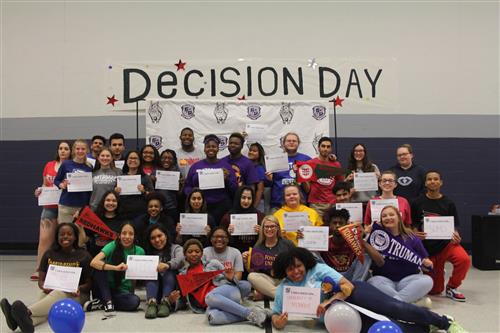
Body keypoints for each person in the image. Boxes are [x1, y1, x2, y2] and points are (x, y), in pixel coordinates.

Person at [270, 247, 467, 333]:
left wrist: (327, 302)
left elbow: (348, 286)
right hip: (339, 319)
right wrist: (279, 322)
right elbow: (276, 318)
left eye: (298, 266)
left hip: (355, 295)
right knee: (388, 328)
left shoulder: (318, 269)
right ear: (284, 271)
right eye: (290, 269)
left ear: (304, 263)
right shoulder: (284, 290)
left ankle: (445, 322)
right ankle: (427, 327)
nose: (296, 271)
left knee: (395, 308)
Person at [1, 223, 92, 333]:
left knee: (57, 295)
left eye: (69, 234)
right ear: (57, 237)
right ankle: (26, 323)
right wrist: (44, 286)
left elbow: (89, 284)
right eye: (62, 234)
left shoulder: (84, 255)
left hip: (78, 295)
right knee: (47, 305)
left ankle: (27, 311)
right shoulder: (49, 254)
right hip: (51, 292)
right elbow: (41, 280)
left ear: (75, 237)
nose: (65, 237)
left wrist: (78, 288)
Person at [178, 239, 269, 327]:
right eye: (190, 252)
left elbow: (233, 281)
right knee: (212, 318)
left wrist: (231, 278)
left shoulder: (213, 263)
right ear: (185, 254)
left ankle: (248, 313)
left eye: (197, 251)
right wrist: (173, 301)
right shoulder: (183, 275)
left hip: (227, 292)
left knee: (209, 297)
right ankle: (255, 314)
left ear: (202, 253)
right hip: (212, 305)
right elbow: (182, 299)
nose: (194, 254)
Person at [411, 170, 470, 302]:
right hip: (428, 248)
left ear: (441, 182)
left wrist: (456, 236)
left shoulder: (448, 203)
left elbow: (454, 227)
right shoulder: (417, 203)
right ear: (425, 183)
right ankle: (437, 272)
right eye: (429, 179)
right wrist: (415, 233)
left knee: (464, 259)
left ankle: (452, 287)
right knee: (435, 291)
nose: (433, 181)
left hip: (446, 244)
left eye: (436, 179)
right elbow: (412, 226)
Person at [367, 205, 433, 307]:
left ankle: (393, 304)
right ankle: (411, 304)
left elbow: (427, 265)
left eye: (391, 214)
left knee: (427, 281)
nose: (388, 217)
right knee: (372, 281)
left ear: (399, 217)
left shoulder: (412, 238)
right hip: (384, 281)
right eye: (384, 216)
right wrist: (366, 234)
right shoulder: (376, 238)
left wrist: (427, 264)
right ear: (381, 221)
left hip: (407, 281)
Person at [32, 140, 71, 281]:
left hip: (66, 207)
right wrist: (39, 190)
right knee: (44, 239)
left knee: (64, 240)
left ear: (70, 151)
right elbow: (44, 184)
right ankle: (39, 269)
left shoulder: (72, 166)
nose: (63, 151)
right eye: (60, 148)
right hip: (49, 206)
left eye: (66, 148)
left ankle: (62, 269)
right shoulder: (49, 165)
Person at [86, 222, 144, 316]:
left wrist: (131, 293)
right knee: (99, 268)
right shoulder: (112, 245)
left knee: (135, 301)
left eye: (131, 234)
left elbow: (135, 278)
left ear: (135, 236)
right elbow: (93, 262)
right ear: (119, 235)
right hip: (104, 287)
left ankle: (102, 302)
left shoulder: (140, 251)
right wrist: (115, 268)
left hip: (121, 292)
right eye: (124, 233)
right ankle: (107, 302)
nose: (127, 237)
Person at [183, 134, 237, 224]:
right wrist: (192, 194)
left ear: (218, 149)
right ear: (204, 149)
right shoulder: (196, 166)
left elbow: (234, 189)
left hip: (222, 205)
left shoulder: (226, 166)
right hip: (199, 206)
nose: (211, 149)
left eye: (214, 146)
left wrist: (226, 179)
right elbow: (187, 186)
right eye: (208, 146)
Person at [319, 208, 382, 282]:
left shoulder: (354, 241)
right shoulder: (324, 241)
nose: (338, 226)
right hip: (332, 276)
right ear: (329, 225)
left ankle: (357, 285)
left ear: (347, 225)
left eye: (341, 223)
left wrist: (361, 240)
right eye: (334, 223)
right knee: (313, 253)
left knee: (365, 254)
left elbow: (380, 262)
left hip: (351, 276)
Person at [244, 215, 294, 300]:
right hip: (268, 280)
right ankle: (280, 296)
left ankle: (267, 294)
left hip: (285, 278)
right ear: (262, 229)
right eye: (266, 227)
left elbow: (296, 263)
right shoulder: (258, 247)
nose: (269, 229)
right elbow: (254, 271)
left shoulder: (287, 244)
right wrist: (246, 262)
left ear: (278, 228)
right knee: (251, 276)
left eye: (272, 226)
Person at [144, 224, 183, 319]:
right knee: (150, 272)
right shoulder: (148, 253)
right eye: (153, 238)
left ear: (166, 235)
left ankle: (166, 303)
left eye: (159, 236)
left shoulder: (176, 248)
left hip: (171, 288)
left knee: (168, 271)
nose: (157, 240)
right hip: (154, 289)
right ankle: (152, 303)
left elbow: (180, 260)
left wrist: (167, 265)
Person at [267, 132, 310, 211]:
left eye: (294, 141)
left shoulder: (306, 160)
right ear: (283, 143)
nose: (291, 142)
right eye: (288, 141)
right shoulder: (275, 160)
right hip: (278, 204)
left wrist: (300, 175)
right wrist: (269, 179)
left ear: (298, 143)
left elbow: (308, 189)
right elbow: (269, 185)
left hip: (300, 204)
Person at [303, 137, 343, 217]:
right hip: (316, 204)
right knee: (316, 229)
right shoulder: (310, 164)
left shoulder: (336, 164)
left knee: (333, 228)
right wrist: (302, 178)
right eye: (323, 146)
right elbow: (307, 189)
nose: (325, 149)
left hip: (333, 203)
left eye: (328, 147)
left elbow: (340, 185)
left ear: (331, 149)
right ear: (318, 147)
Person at [219, 186, 265, 253]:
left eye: (249, 198)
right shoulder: (228, 217)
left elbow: (266, 238)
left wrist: (261, 232)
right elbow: (220, 237)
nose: (246, 201)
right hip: (233, 252)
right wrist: (226, 233)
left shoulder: (259, 216)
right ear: (238, 198)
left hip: (255, 252)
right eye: (243, 198)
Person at [116, 150, 154, 220]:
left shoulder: (145, 178)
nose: (133, 160)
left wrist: (144, 191)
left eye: (135, 158)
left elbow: (152, 196)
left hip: (140, 214)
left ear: (140, 161)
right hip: (123, 213)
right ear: (126, 161)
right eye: (130, 158)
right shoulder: (121, 177)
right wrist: (116, 192)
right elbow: (116, 197)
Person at [87, 190, 124, 256]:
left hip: (115, 257)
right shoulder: (94, 218)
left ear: (118, 203)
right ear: (103, 202)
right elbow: (85, 238)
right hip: (95, 256)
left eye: (114, 201)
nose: (111, 203)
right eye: (108, 200)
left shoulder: (123, 221)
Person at [156, 149, 182, 221]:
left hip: (172, 208)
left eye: (170, 158)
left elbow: (179, 194)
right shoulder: (155, 171)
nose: (166, 160)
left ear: (174, 160)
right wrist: (152, 180)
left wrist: (181, 185)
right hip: (156, 208)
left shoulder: (177, 173)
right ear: (160, 159)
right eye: (164, 158)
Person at [247, 142, 266, 211]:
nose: (251, 152)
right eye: (250, 150)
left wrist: (254, 207)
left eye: (254, 151)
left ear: (259, 154)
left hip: (257, 202)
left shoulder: (260, 169)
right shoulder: (248, 166)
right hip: (247, 200)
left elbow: (260, 190)